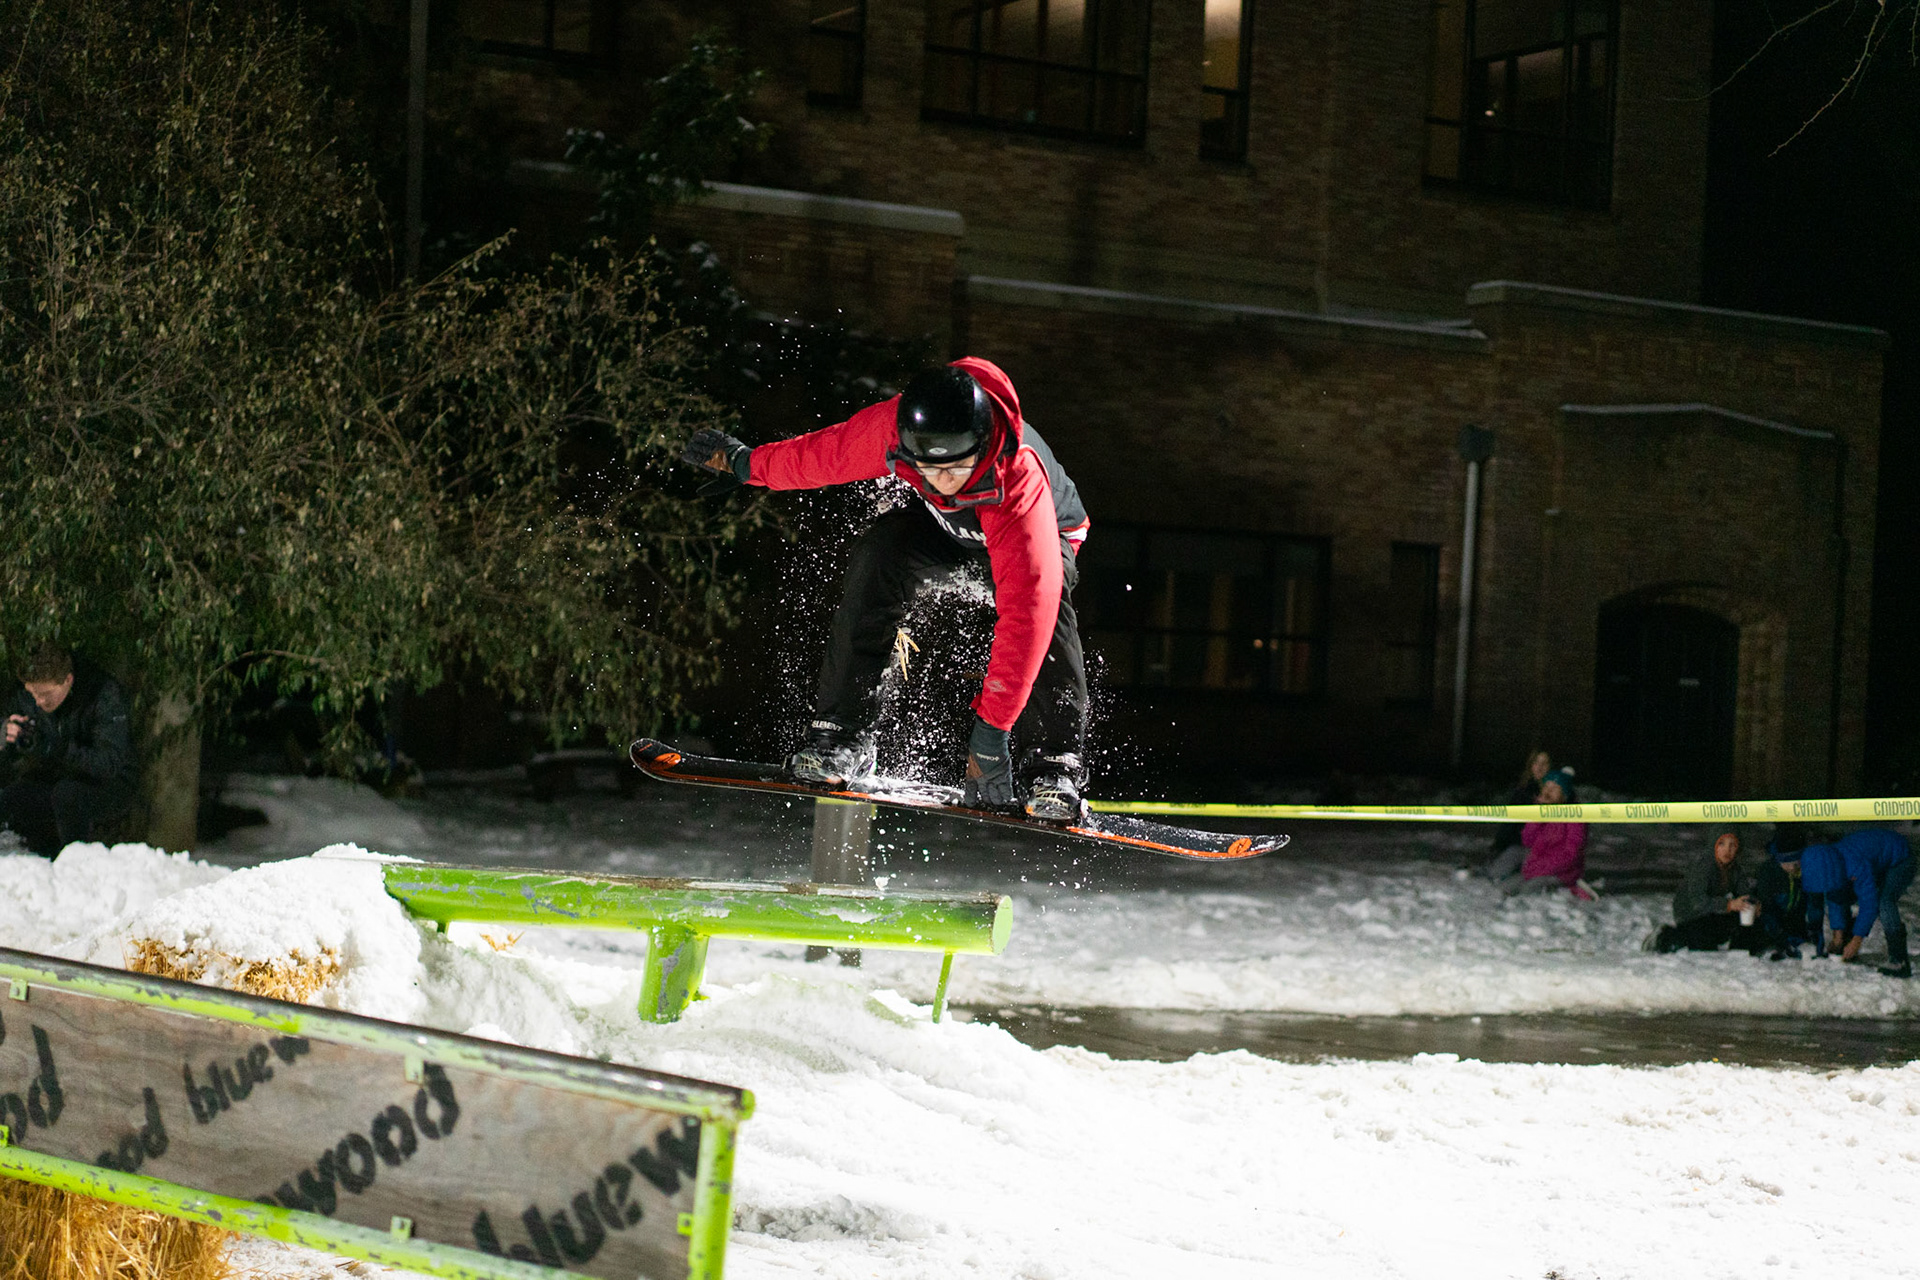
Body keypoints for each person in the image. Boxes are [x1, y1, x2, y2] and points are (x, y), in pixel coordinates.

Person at [680, 358, 1091, 821]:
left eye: (958, 468)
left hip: (1039, 539)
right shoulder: (892, 429)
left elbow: (1027, 617)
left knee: (1048, 606)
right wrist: (745, 464)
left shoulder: (1019, 480)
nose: (944, 481)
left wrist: (992, 731)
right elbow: (826, 454)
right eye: (930, 468)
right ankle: (841, 736)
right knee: (882, 549)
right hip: (950, 533)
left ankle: (1054, 767)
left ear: (982, 445)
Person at [0, 644, 138, 856]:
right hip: (56, 778)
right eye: (33, 693)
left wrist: (54, 748)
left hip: (109, 783)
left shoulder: (103, 694)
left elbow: (108, 763)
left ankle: (75, 863)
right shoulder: (26, 696)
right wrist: (6, 735)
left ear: (68, 680)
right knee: (11, 797)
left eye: (46, 694)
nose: (39, 701)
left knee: (67, 795)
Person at [1784, 828, 1915, 979]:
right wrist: (1837, 936)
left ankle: (1898, 960)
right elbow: (1835, 898)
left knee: (1884, 903)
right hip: (1874, 861)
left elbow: (1869, 903)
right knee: (1843, 896)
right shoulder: (1830, 863)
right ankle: (1845, 944)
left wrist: (1857, 941)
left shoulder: (1854, 865)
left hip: (1900, 859)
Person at [1648, 826, 1784, 956]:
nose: (1727, 850)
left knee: (1746, 922)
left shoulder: (1734, 869)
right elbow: (1698, 902)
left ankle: (1742, 951)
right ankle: (1667, 936)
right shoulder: (1704, 867)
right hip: (1691, 916)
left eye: (1732, 845)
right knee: (1704, 947)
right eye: (1722, 844)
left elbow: (1744, 891)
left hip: (1712, 912)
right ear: (1714, 845)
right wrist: (1729, 905)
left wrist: (1753, 903)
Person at [1489, 768, 1593, 899]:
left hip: (1561, 873)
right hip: (1534, 869)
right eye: (1546, 787)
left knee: (1528, 892)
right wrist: (1536, 818)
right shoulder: (1541, 811)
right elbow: (1527, 841)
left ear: (1564, 793)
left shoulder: (1575, 816)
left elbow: (1571, 854)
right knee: (1502, 890)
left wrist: (1539, 868)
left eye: (1554, 788)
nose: (1548, 792)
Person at [1485, 748, 1551, 866]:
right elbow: (1510, 822)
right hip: (1520, 846)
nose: (1540, 767)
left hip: (1547, 848)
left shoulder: (1559, 793)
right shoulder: (1523, 791)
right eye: (1536, 763)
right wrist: (1499, 845)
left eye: (1544, 763)